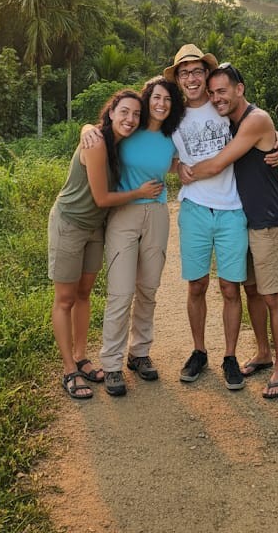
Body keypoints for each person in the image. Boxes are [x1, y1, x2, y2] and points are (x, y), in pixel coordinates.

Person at [181, 63, 278, 399]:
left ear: (240, 89)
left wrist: (185, 172)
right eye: (212, 93)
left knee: (271, 295)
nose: (216, 98)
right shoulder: (229, 118)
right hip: (243, 215)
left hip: (264, 218)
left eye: (222, 91)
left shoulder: (255, 118)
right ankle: (262, 352)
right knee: (251, 290)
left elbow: (216, 164)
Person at [48, 89, 163, 401]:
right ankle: (69, 369)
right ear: (111, 112)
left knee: (84, 294)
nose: (130, 119)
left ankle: (82, 357)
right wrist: (139, 192)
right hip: (70, 223)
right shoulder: (98, 143)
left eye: (136, 115)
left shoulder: (118, 143)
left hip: (95, 227)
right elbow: (101, 198)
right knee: (65, 299)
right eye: (124, 112)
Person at [81, 77, 185, 397]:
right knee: (120, 292)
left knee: (148, 288)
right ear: (147, 99)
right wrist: (85, 129)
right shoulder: (129, 128)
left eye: (168, 99)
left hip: (156, 214)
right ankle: (111, 364)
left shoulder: (172, 137)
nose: (161, 104)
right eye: (156, 97)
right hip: (123, 214)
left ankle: (139, 353)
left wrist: (275, 139)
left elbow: (184, 159)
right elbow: (97, 129)